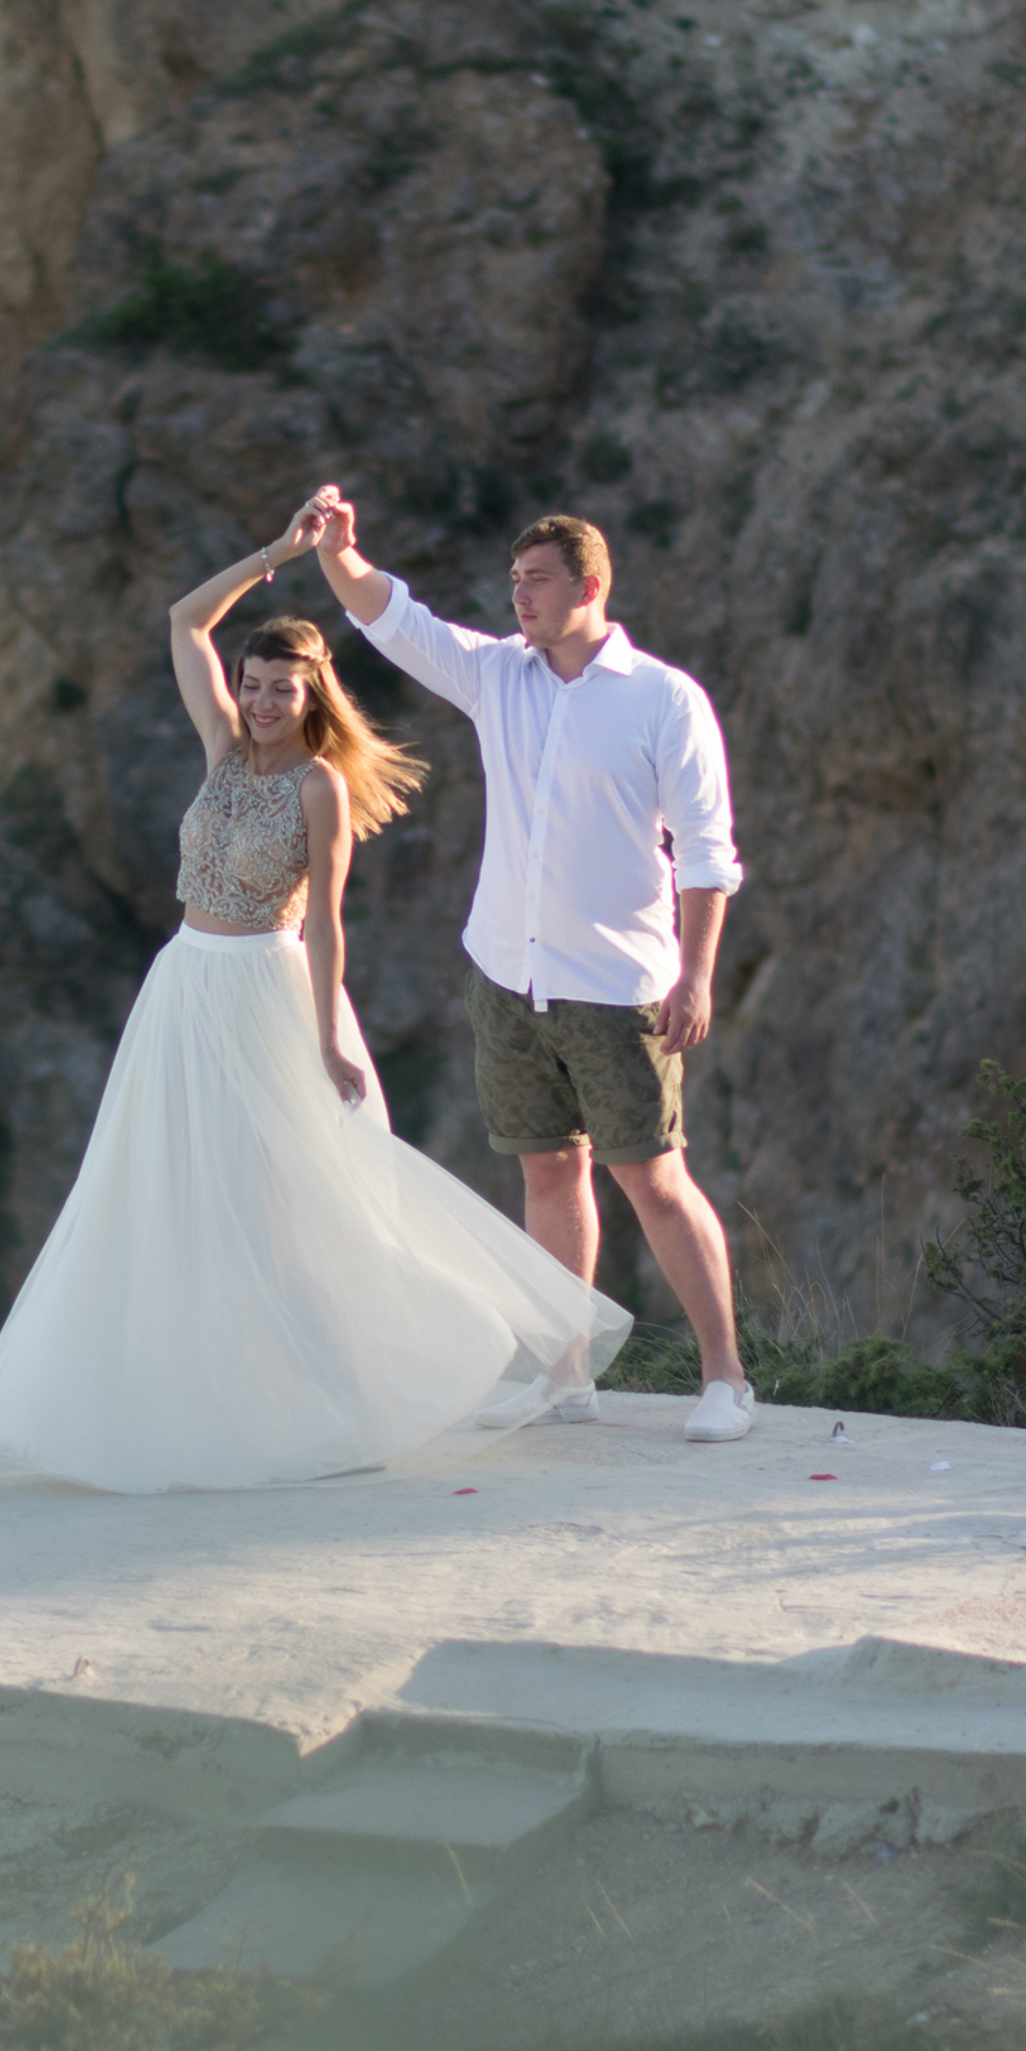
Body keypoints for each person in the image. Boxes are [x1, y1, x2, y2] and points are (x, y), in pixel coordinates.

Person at [0, 500, 631, 1493]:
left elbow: (329, 928)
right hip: (182, 989)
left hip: (268, 994)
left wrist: (325, 1040)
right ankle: (180, 1404)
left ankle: (353, 1401)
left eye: (281, 688)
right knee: (164, 1195)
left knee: (291, 1209)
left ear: (312, 697)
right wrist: (279, 555)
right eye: (254, 684)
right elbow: (185, 621)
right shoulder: (220, 749)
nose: (262, 700)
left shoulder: (319, 787)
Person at [310, 488, 755, 1441]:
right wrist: (341, 553)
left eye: (538, 581)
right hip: (507, 979)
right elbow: (396, 621)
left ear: (589, 586)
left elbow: (710, 853)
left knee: (653, 1179)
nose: (519, 596)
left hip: (619, 988)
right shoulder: (495, 676)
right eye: (513, 580)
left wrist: (698, 975)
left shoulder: (663, 698)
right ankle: (566, 1378)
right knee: (550, 1175)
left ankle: (727, 1379)